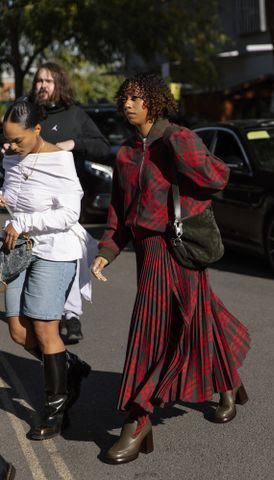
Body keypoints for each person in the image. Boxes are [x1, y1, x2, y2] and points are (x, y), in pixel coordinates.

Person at [91, 73, 251, 464]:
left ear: (155, 102)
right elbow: (118, 210)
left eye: (136, 97)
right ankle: (229, 383)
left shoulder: (176, 139)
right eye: (124, 97)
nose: (127, 104)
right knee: (198, 320)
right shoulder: (126, 153)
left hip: (178, 247)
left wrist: (178, 142)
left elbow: (217, 178)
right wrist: (108, 250)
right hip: (148, 253)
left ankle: (138, 417)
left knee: (155, 330)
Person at [1, 100, 94, 440]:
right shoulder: (12, 157)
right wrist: (3, 198)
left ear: (37, 130)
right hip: (18, 248)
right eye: (7, 140)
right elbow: (14, 195)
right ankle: (70, 366)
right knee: (18, 332)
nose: (10, 146)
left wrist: (24, 220)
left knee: (43, 327)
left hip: (55, 250)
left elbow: (69, 214)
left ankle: (54, 411)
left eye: (17, 140)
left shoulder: (61, 160)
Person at [27, 61, 110, 344]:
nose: (42, 86)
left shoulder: (74, 115)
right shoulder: (26, 111)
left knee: (71, 255)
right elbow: (8, 136)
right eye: (39, 80)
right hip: (31, 199)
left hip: (66, 201)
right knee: (35, 255)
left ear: (59, 84)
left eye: (48, 81)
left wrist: (72, 143)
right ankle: (41, 311)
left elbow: (102, 145)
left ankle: (71, 314)